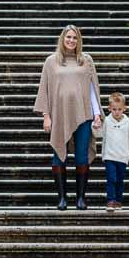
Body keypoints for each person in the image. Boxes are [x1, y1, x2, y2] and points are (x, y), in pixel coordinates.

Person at [34, 25, 103, 210]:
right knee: (58, 156)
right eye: (68, 37)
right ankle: (62, 198)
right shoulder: (51, 61)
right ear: (62, 39)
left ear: (78, 40)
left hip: (84, 114)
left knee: (81, 155)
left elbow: (92, 89)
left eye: (75, 38)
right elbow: (44, 89)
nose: (71, 40)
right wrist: (46, 116)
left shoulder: (86, 60)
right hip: (59, 115)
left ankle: (81, 198)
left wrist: (97, 113)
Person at [95, 92, 129, 211]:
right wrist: (95, 126)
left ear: (124, 108)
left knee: (120, 180)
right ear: (109, 108)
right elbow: (99, 134)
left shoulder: (128, 123)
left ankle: (118, 200)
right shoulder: (107, 121)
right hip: (110, 156)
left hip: (122, 157)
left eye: (119, 109)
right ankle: (111, 200)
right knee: (111, 179)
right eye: (114, 109)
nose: (117, 112)